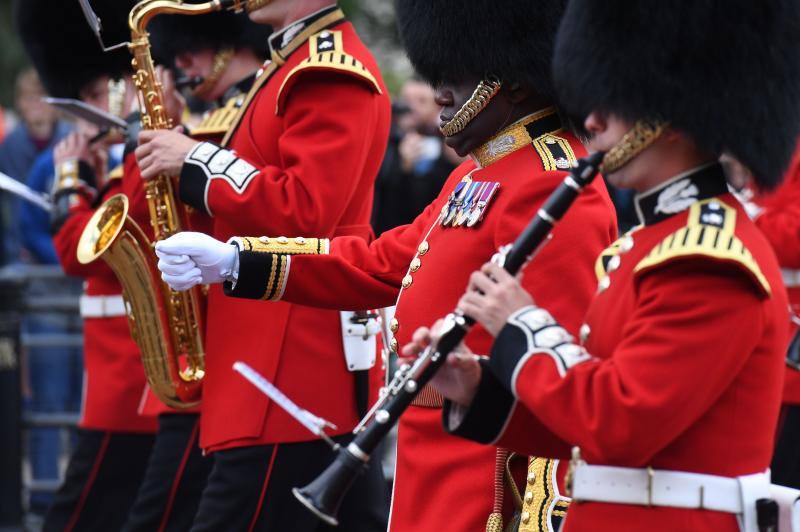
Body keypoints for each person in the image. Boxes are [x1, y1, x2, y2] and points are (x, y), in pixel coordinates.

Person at [154, 0, 618, 530]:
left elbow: (550, 372)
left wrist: (533, 516)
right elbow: (382, 263)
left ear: (511, 80)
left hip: (485, 473)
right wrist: (239, 261)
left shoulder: (550, 180)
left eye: (456, 75)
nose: (439, 91)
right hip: (429, 449)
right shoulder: (476, 175)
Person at [402, 1, 800, 531]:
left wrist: (524, 324)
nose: (590, 117)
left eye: (614, 99)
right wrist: (477, 390)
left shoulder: (709, 261)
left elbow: (619, 423)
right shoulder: (646, 246)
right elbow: (577, 423)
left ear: (675, 108)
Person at [135, 1, 392, 529]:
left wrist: (196, 159)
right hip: (265, 352)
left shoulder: (326, 70)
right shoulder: (286, 65)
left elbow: (307, 210)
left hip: (291, 359)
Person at [119, 11, 270, 532]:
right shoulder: (214, 114)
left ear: (227, 44)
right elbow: (139, 213)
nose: (181, 65)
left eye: (189, 53)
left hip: (238, 336)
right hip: (206, 335)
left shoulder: (243, 111)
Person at [16, 1, 158, 529]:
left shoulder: (143, 153)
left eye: (101, 94)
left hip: (132, 375)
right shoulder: (125, 160)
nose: (96, 108)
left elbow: (82, 252)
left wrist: (72, 179)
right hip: (117, 367)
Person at [371, 78, 463, 235]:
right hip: (385, 229)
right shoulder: (385, 137)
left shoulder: (450, 142)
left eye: (422, 101)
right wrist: (402, 166)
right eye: (407, 100)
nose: (412, 107)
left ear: (437, 106)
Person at [0, 69, 71, 264]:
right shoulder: (10, 146)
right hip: (22, 252)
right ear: (19, 103)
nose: (36, 105)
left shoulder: (71, 139)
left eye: (42, 97)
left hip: (68, 241)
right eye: (29, 98)